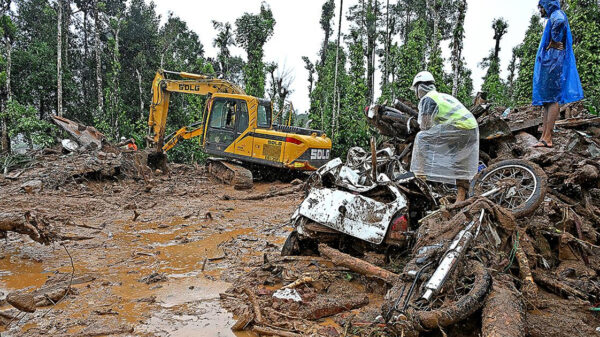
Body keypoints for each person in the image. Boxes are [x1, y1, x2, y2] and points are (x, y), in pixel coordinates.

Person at [409, 71, 479, 202]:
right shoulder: (442, 96)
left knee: (421, 138)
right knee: (460, 163)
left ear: (420, 87)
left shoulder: (428, 99)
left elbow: (425, 126)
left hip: (460, 128)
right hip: (471, 129)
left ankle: (419, 175)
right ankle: (461, 199)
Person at [533, 0, 583, 148]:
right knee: (547, 100)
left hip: (554, 62)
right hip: (551, 62)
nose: (540, 10)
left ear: (548, 5)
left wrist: (554, 40)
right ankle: (544, 136)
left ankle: (548, 137)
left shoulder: (557, 15)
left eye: (541, 7)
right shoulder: (553, 16)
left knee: (552, 98)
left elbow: (560, 22)